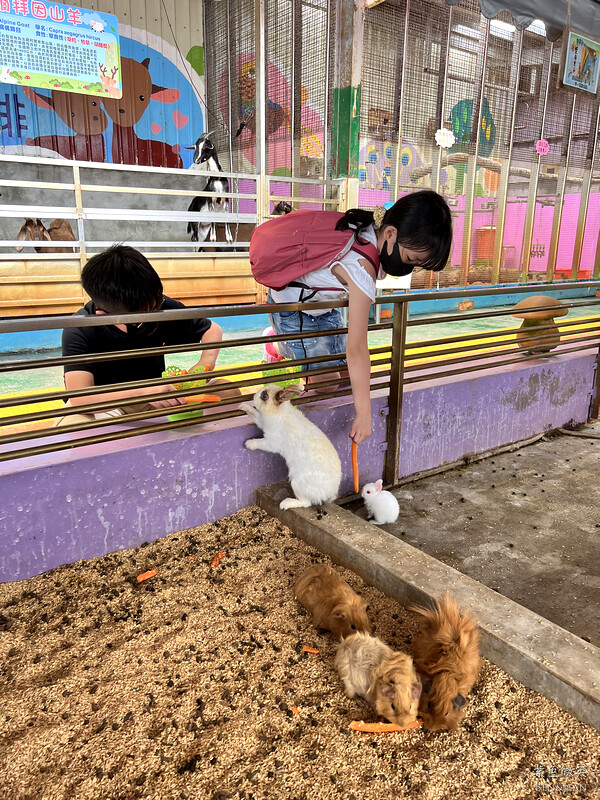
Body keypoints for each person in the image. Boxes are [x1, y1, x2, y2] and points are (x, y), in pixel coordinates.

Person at [267, 190, 453, 445]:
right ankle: (280, 348)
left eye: (417, 265)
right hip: (292, 311)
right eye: (411, 259)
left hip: (322, 307)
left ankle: (290, 348)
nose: (409, 267)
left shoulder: (367, 230)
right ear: (390, 233)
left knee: (345, 377)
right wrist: (364, 414)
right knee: (328, 383)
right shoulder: (361, 268)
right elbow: (357, 348)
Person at [57, 245, 226, 426]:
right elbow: (80, 399)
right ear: (104, 314)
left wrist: (204, 366)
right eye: (141, 315)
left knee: (226, 391)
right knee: (72, 426)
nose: (153, 314)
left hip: (158, 399)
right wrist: (143, 391)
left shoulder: (158, 305)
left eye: (156, 304)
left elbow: (211, 329)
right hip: (108, 407)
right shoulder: (80, 328)